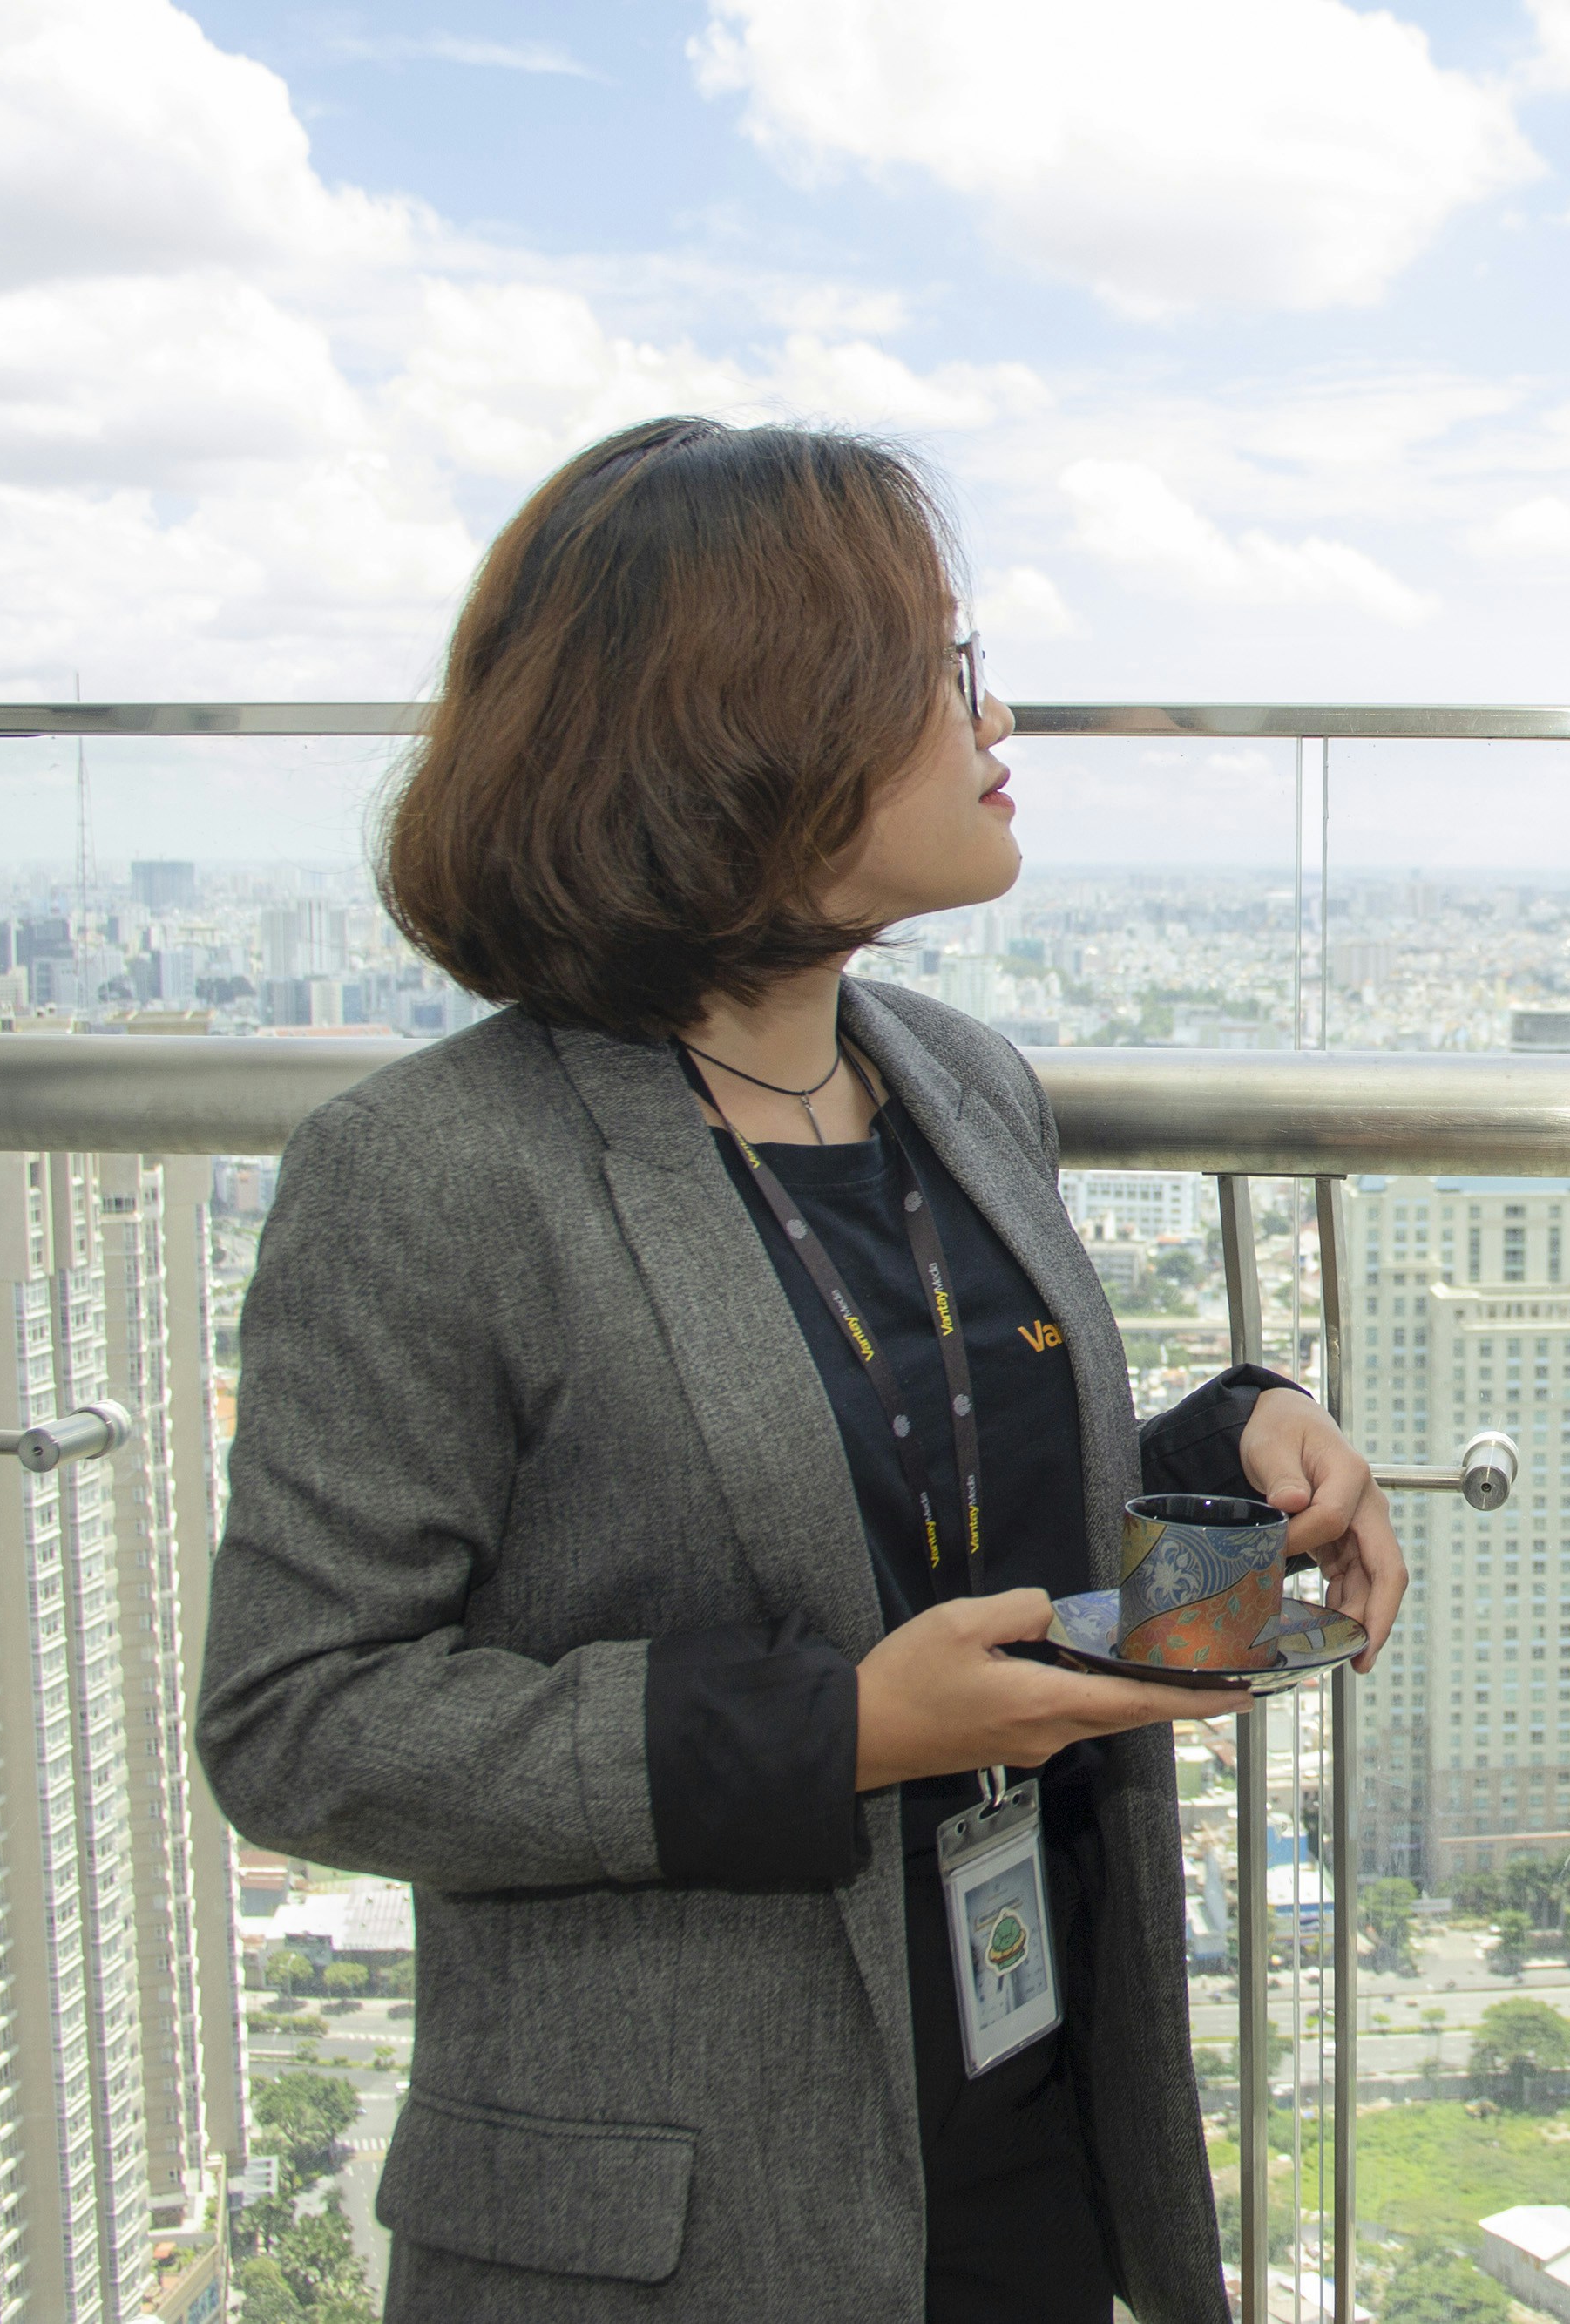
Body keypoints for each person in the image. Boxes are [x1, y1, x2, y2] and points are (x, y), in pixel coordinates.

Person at [197, 416, 1404, 2323]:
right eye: (942, 668)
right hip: (681, 2222)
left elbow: (899, 1501)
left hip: (1027, 2125)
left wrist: (1219, 1433)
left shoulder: (955, 1078)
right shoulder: (434, 1168)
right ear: (751, 724)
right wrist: (834, 1734)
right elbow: (300, 1719)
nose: (998, 720)